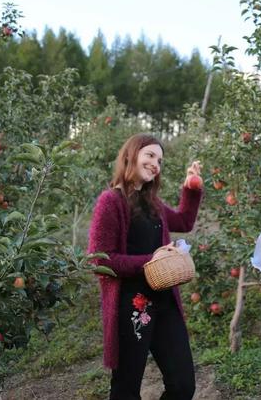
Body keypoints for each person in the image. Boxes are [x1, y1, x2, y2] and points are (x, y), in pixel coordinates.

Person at [87, 133, 203, 400]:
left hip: (164, 302)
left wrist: (191, 188)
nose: (155, 164)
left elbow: (184, 221)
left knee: (183, 384)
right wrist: (152, 261)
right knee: (126, 390)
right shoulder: (111, 201)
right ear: (131, 155)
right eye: (150, 155)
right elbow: (100, 259)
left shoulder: (153, 204)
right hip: (131, 305)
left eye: (160, 160)